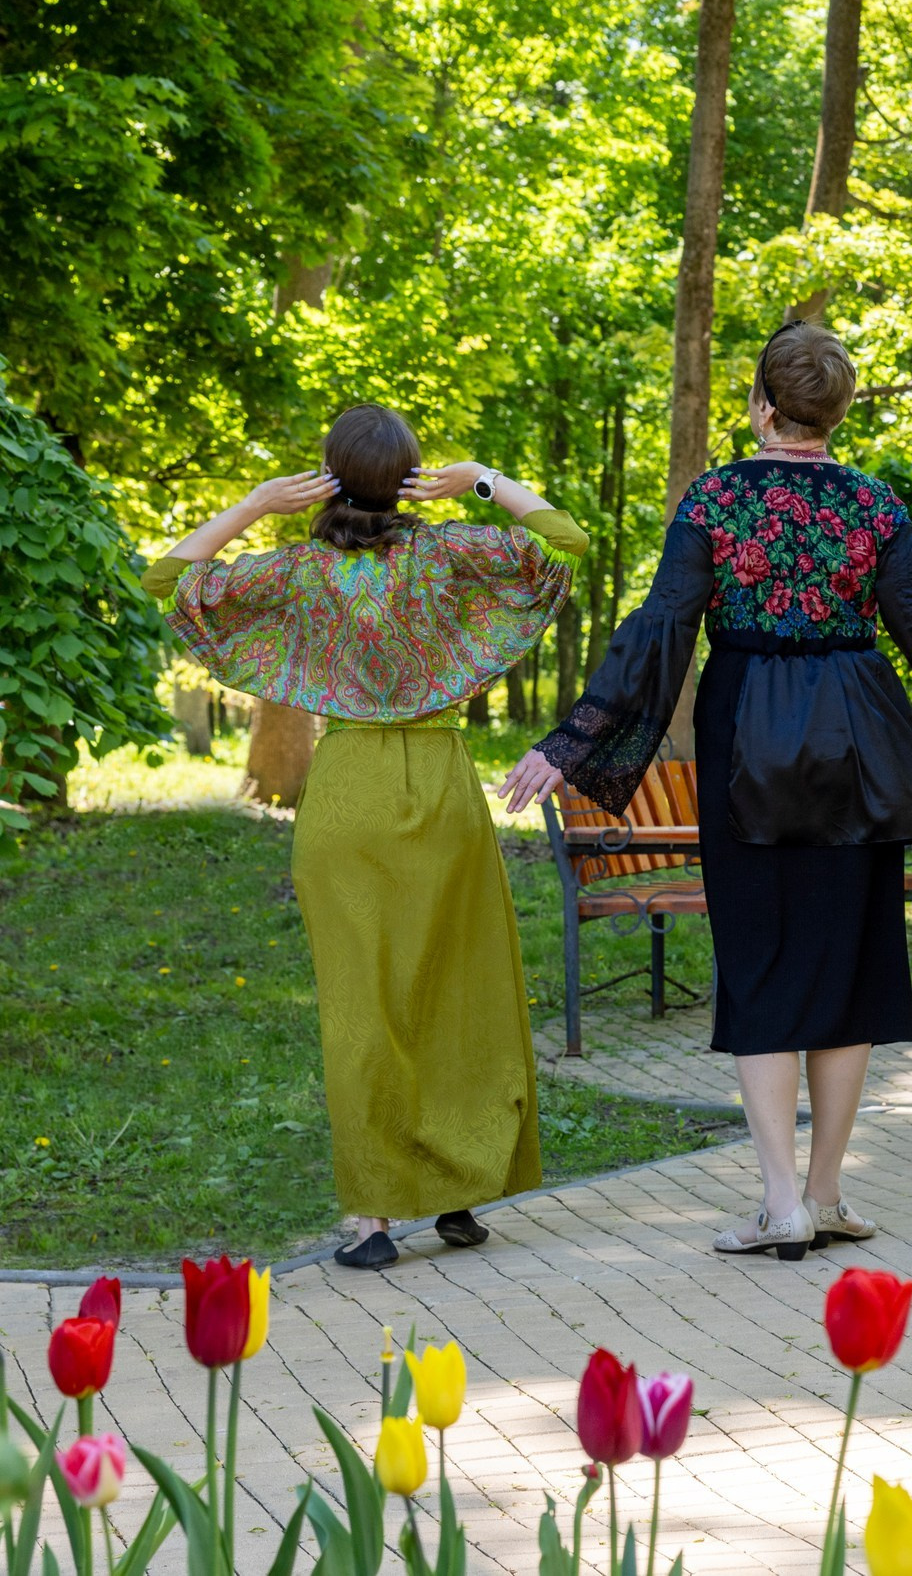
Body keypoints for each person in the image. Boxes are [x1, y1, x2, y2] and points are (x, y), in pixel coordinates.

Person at [502, 320, 912, 1262]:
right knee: (850, 966)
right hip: (856, 739)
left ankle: (783, 1200)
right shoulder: (873, 505)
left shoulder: (714, 499)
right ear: (838, 412)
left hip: (747, 738)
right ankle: (823, 1194)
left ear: (762, 407)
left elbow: (662, 628)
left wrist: (574, 743)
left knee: (763, 964)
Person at [147, 404, 585, 1270]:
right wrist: (484, 483)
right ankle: (460, 1191)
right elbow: (564, 542)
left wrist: (257, 505)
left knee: (363, 1007)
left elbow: (169, 580)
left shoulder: (301, 572)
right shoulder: (453, 553)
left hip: (346, 793)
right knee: (460, 990)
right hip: (442, 786)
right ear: (415, 475)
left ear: (329, 479)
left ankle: (374, 1219)